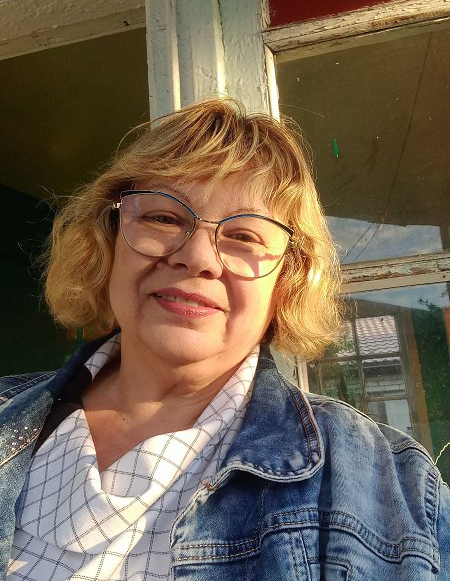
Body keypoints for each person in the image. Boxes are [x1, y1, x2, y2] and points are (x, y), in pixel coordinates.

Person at [0, 98, 448, 581]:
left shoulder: (391, 485)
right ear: (108, 239)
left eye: (245, 236)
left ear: (288, 278)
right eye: (163, 217)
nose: (197, 257)